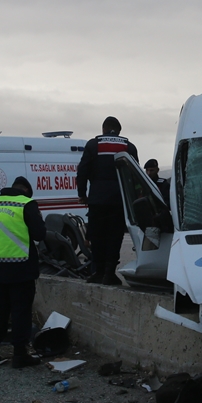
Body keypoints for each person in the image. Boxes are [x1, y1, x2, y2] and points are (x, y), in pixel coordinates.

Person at [0, 176, 46, 368]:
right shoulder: (27, 204)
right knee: (20, 311)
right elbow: (39, 234)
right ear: (26, 190)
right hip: (22, 266)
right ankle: (19, 354)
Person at [76, 116, 137, 285]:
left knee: (97, 236)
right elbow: (135, 175)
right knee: (114, 237)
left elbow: (82, 171)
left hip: (97, 199)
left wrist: (82, 194)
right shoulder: (128, 146)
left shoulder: (93, 145)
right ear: (119, 130)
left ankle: (98, 272)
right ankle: (109, 274)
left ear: (103, 129)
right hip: (119, 200)